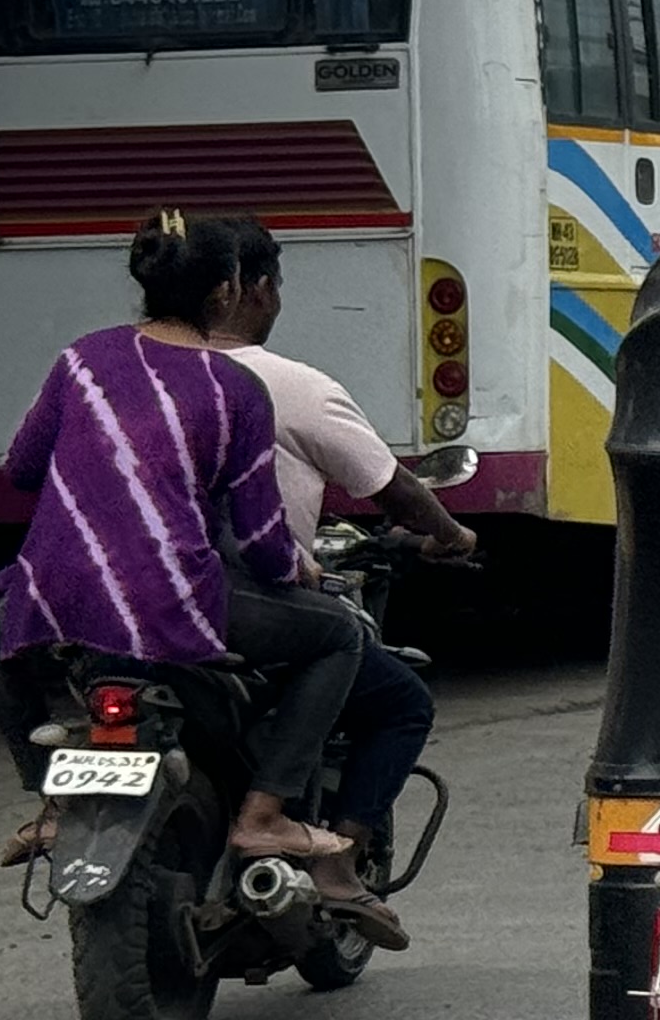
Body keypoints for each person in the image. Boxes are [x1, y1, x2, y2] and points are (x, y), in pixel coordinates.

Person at [0, 211, 368, 884]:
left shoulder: (81, 359)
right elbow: (265, 543)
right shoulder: (236, 389)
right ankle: (264, 814)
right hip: (173, 599)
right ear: (226, 294)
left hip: (55, 596)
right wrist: (298, 570)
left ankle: (51, 797)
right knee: (338, 639)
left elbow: (21, 468)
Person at [203, 218, 475, 940]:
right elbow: (387, 489)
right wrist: (449, 534)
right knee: (386, 688)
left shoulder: (117, 375)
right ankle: (332, 859)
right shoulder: (277, 386)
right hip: (228, 598)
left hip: (111, 603)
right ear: (251, 289)